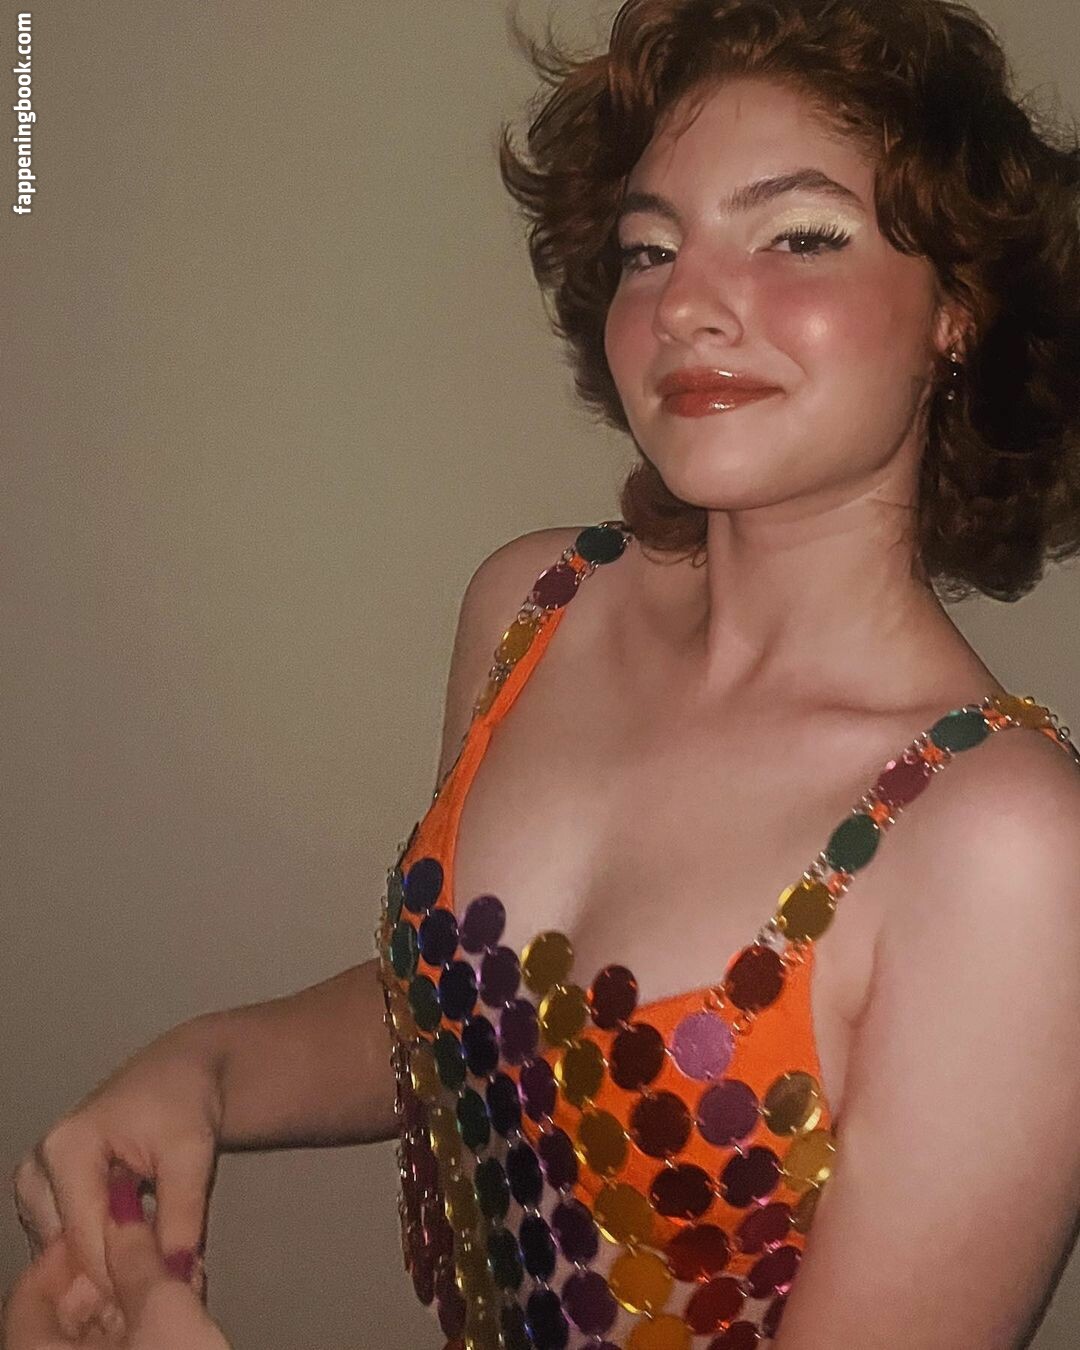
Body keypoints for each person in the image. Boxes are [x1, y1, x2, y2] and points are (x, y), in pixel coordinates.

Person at [7, 0, 1080, 1346]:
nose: (685, 303)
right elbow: (480, 1020)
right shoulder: (535, 606)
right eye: (649, 249)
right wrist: (203, 1070)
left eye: (800, 235)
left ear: (958, 310)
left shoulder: (1007, 850)